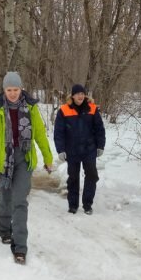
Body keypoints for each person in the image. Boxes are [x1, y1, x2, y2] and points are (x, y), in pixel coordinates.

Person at [0, 72, 54, 264]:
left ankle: (20, 246)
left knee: (20, 201)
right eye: (9, 90)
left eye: (16, 89)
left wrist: (48, 158)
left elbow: (39, 133)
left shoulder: (30, 108)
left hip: (24, 159)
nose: (13, 93)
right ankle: (4, 230)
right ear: (4, 90)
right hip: (2, 161)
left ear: (21, 88)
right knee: (5, 199)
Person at [53, 84, 106, 214]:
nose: (80, 96)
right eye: (77, 94)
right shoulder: (64, 110)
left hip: (89, 149)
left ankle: (87, 204)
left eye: (82, 93)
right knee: (73, 178)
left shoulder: (92, 109)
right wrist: (60, 149)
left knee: (92, 176)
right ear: (72, 95)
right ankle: (73, 205)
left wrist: (100, 146)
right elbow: (58, 132)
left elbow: (100, 129)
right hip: (72, 150)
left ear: (85, 95)